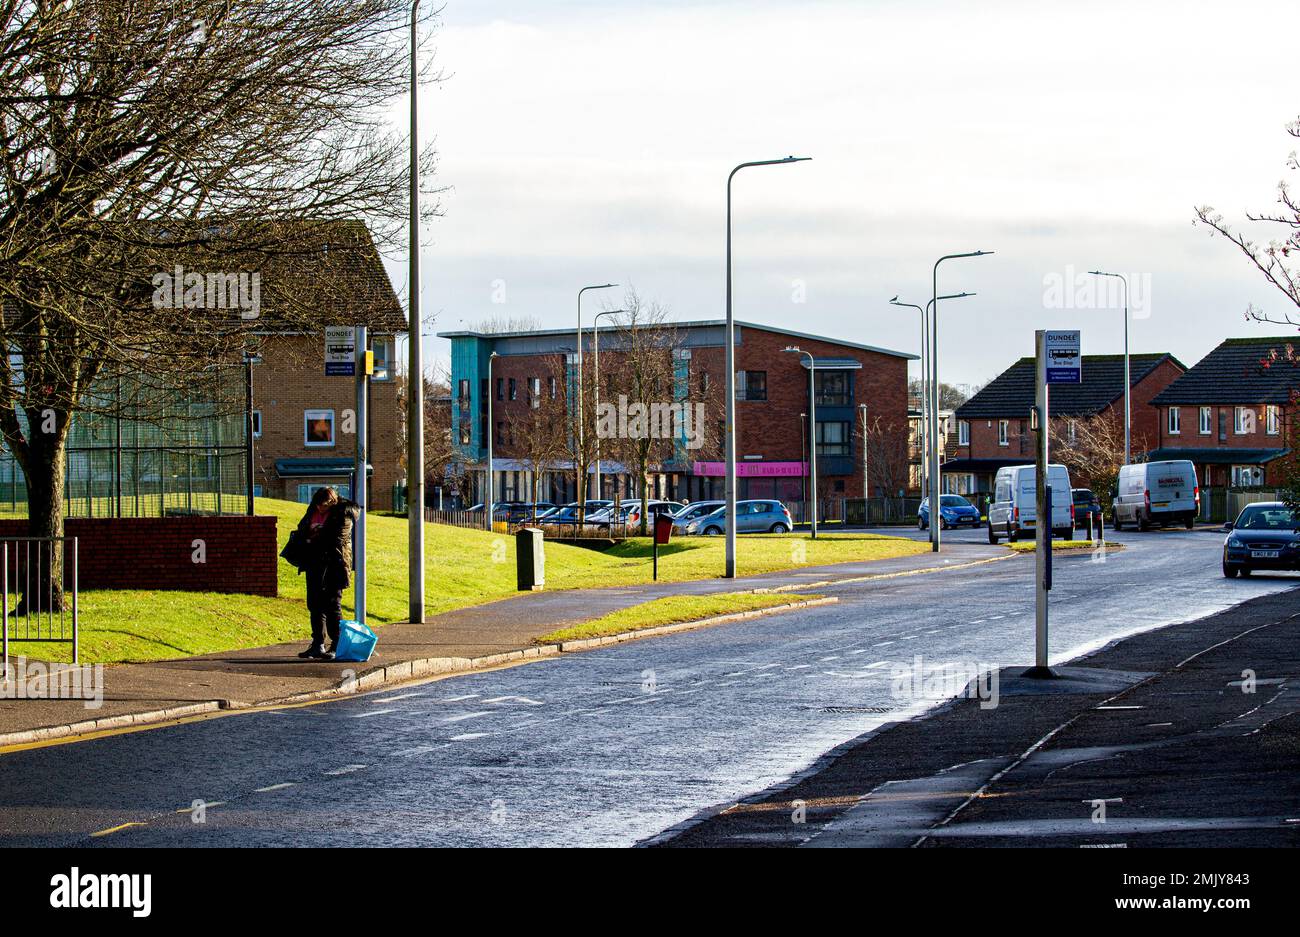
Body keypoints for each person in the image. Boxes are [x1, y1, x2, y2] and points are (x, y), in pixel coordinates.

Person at [294, 486, 362, 661]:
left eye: (323, 506)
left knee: (333, 606)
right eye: (317, 505)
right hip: (314, 563)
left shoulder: (343, 513)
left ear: (332, 502)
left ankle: (337, 644)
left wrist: (314, 536)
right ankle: (318, 643)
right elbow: (302, 528)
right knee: (314, 604)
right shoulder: (313, 509)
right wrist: (309, 535)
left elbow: (336, 539)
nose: (320, 509)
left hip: (335, 564)